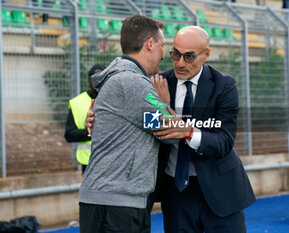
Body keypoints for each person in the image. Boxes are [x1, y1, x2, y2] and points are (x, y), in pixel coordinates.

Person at [86, 26, 256, 233]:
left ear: (206, 55)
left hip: (220, 190)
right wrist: (97, 119)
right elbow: (137, 122)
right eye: (175, 54)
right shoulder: (156, 84)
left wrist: (190, 132)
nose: (180, 63)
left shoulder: (224, 85)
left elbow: (224, 141)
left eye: (189, 57)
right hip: (176, 192)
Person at [78, 15, 175, 233]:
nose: (163, 55)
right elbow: (171, 129)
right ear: (150, 44)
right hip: (118, 204)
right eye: (162, 46)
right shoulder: (133, 82)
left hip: (107, 199)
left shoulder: (120, 77)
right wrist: (165, 102)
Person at [64, 64, 104, 174]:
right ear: (89, 80)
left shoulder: (115, 100)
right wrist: (90, 131)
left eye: (101, 77)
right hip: (89, 164)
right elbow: (69, 135)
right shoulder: (77, 103)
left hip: (113, 162)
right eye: (94, 78)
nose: (97, 81)